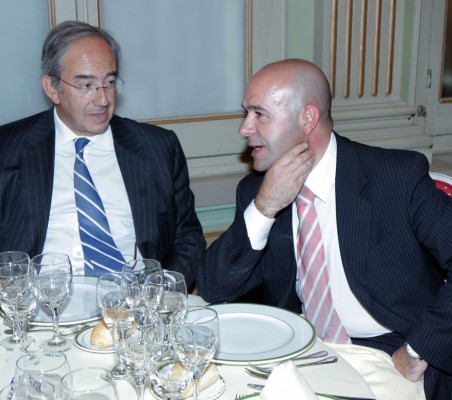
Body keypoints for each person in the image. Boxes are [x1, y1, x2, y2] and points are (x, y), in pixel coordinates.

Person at [196, 59, 452, 399]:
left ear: (307, 119)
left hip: (389, 353)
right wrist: (264, 208)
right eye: (246, 113)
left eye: (259, 114)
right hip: (300, 352)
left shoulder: (394, 177)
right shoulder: (258, 191)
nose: (244, 128)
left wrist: (419, 349)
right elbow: (213, 288)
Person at [0, 21, 205, 285]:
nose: (103, 99)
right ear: (52, 88)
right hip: (42, 302)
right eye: (86, 85)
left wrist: (159, 292)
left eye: (109, 82)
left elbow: (188, 239)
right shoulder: (8, 149)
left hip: (135, 299)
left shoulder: (157, 147)